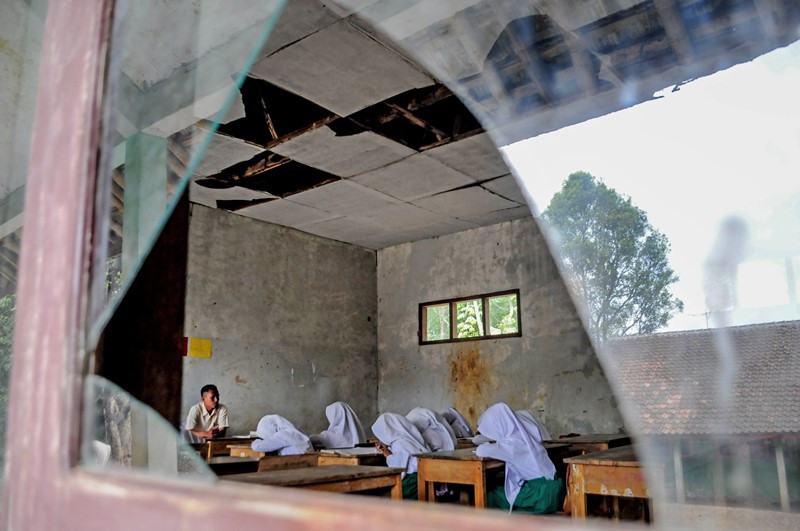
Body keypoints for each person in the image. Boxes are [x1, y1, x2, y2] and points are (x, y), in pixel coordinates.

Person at [475, 403, 563, 514]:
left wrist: (490, 443)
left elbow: (481, 450)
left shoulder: (511, 446)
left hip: (539, 496)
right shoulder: (524, 437)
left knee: (490, 495)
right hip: (555, 491)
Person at [372, 413, 430, 500]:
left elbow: (397, 467)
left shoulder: (399, 444)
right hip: (422, 476)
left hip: (413, 481)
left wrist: (387, 453)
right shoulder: (407, 439)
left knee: (385, 494)